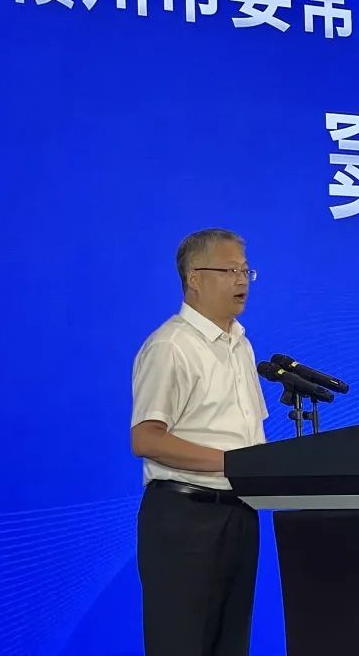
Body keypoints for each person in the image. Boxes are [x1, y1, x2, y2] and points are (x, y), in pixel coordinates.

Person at [130, 228, 268, 656]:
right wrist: (232, 463)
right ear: (194, 278)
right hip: (186, 519)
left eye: (246, 271)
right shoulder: (171, 346)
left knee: (231, 645)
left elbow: (247, 433)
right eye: (230, 271)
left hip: (240, 515)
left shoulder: (240, 345)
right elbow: (145, 438)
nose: (241, 281)